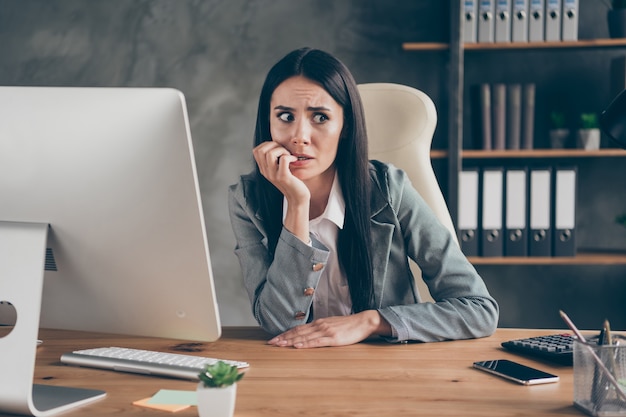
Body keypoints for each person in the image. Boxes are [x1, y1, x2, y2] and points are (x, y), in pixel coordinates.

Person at [228, 47, 498, 348]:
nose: (299, 136)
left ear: (345, 127)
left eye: (319, 117)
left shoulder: (389, 188)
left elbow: (479, 309)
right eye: (285, 116)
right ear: (268, 123)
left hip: (387, 366)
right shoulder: (247, 200)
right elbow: (278, 323)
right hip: (300, 369)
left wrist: (370, 321)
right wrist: (296, 204)